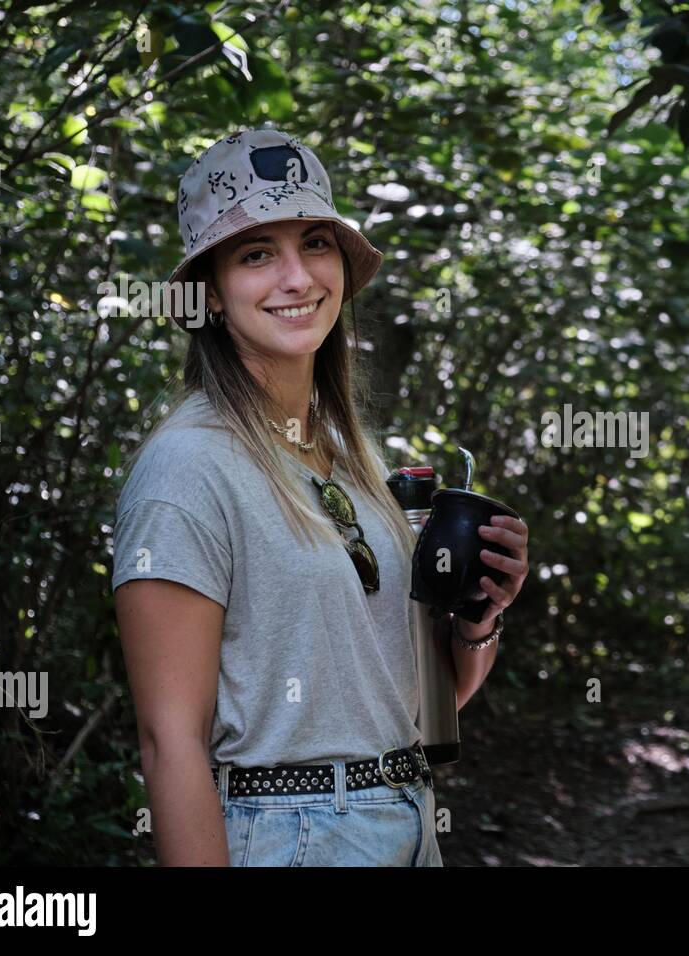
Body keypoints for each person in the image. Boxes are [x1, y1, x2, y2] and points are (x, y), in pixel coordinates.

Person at [111, 128, 529, 866]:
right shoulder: (188, 469)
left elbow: (425, 709)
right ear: (208, 292)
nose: (298, 278)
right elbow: (168, 740)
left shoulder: (355, 461)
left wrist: (480, 615)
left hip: (407, 818)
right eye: (256, 254)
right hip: (286, 835)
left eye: (315, 242)